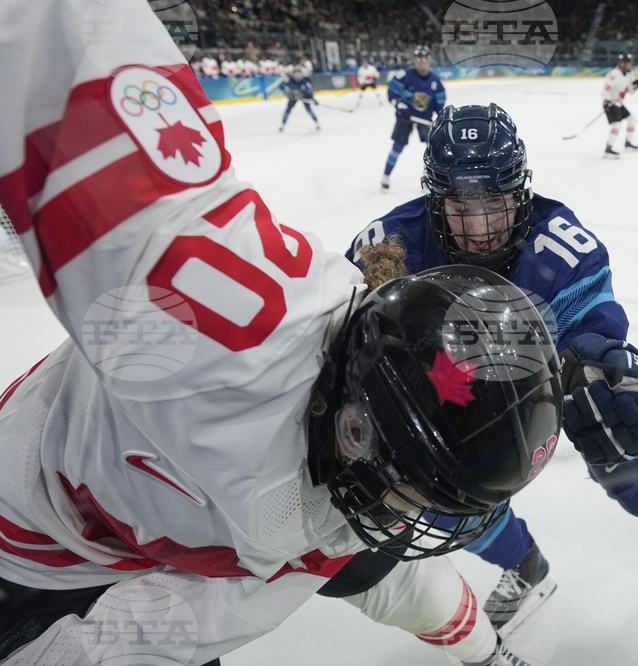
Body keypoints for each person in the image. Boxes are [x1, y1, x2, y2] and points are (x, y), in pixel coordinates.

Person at [0, 3, 563, 665]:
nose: (401, 517)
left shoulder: (327, 491)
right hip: (34, 549)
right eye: (412, 489)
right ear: (357, 431)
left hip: (126, 528)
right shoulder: (186, 321)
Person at [347, 103, 638, 638]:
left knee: (631, 481)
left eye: (495, 203)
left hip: (553, 387)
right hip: (456, 398)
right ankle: (526, 566)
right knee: (448, 495)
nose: (481, 228)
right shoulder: (388, 247)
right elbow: (351, 343)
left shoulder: (561, 246)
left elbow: (595, 329)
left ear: (520, 192)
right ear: (433, 199)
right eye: (460, 207)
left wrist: (603, 363)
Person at [381, 45, 446, 191]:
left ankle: (430, 177)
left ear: (429, 62)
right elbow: (392, 92)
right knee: (397, 147)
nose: (422, 63)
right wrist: (397, 103)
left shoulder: (435, 80)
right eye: (419, 60)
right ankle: (386, 176)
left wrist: (440, 115)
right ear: (415, 62)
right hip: (405, 117)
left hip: (424, 118)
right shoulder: (405, 75)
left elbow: (439, 102)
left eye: (425, 60)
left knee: (431, 149)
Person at [601, 53, 638, 158]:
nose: (631, 66)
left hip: (618, 103)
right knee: (617, 124)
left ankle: (628, 144)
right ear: (623, 64)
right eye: (629, 64)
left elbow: (630, 92)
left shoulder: (628, 76)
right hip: (609, 104)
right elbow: (604, 91)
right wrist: (609, 100)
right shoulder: (614, 74)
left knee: (632, 120)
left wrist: (636, 85)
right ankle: (608, 149)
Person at [279, 67, 320, 132]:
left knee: (309, 109)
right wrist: (288, 92)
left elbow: (309, 91)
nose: (298, 75)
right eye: (296, 74)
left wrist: (313, 99)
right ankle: (282, 125)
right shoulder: (289, 80)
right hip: (293, 98)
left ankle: (317, 123)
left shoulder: (304, 82)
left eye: (299, 73)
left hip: (304, 97)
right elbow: (281, 86)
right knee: (288, 109)